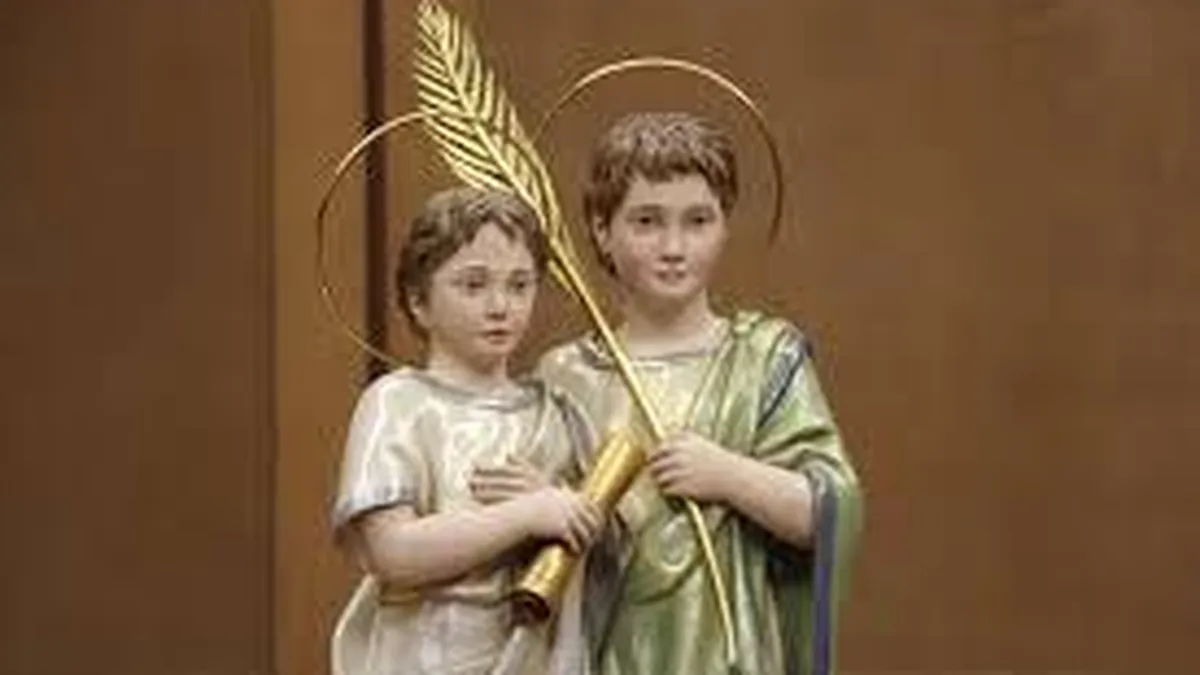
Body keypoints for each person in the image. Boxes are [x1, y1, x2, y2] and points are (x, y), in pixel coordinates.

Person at [537, 112, 862, 675]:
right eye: (646, 221)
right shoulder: (569, 374)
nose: (673, 246)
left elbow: (826, 508)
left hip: (731, 653)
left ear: (724, 226)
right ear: (600, 229)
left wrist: (727, 475)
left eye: (698, 221)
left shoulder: (764, 359)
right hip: (608, 648)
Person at [330, 186, 600, 675]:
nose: (500, 306)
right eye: (473, 285)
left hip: (526, 656)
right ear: (419, 301)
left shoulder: (554, 414)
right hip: (423, 656)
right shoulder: (399, 404)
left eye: (520, 285)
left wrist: (564, 513)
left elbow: (596, 552)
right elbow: (393, 552)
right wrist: (527, 514)